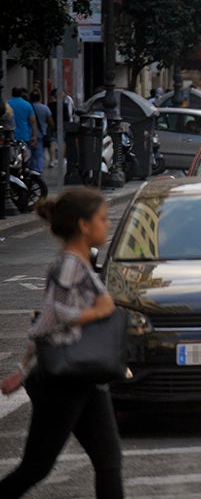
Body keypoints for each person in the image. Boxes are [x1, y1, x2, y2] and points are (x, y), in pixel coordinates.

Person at [0, 188, 123, 498]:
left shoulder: (79, 263)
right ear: (84, 225)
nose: (107, 224)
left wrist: (23, 368)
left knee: (109, 460)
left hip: (85, 373)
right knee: (36, 467)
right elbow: (55, 316)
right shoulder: (69, 264)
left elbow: (43, 323)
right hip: (65, 380)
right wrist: (99, 310)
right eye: (102, 219)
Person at [9, 88, 39, 157]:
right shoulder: (27, 105)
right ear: (21, 94)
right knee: (24, 156)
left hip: (11, 136)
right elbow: (33, 121)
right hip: (24, 135)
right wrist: (34, 136)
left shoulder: (7, 104)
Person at [30, 91, 52, 173]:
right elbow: (50, 122)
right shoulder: (45, 108)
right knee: (40, 155)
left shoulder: (29, 107)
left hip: (29, 133)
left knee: (30, 154)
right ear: (40, 98)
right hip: (41, 134)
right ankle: (38, 171)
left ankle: (31, 169)